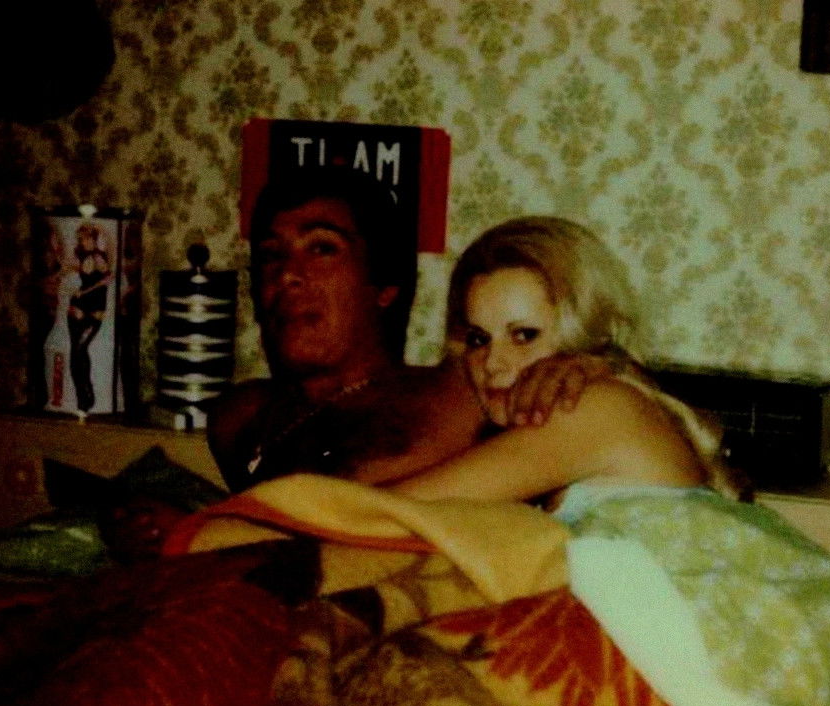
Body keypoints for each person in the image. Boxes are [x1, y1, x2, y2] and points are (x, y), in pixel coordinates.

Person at [207, 170, 608, 495]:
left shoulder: (466, 388)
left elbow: (619, 409)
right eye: (271, 255)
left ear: (386, 284)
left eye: (322, 248)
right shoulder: (240, 419)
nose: (286, 276)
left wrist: (590, 368)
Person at [389, 215, 734, 505]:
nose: (493, 363)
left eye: (524, 335)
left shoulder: (597, 408)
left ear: (581, 334)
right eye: (479, 339)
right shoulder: (594, 407)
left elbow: (390, 512)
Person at [67, 221, 111, 412]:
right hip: (77, 308)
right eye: (81, 239)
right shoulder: (79, 257)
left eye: (86, 238)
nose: (83, 242)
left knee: (80, 348)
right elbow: (66, 270)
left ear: (94, 239)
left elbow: (106, 281)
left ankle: (87, 391)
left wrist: (84, 292)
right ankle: (81, 396)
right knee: (75, 351)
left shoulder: (100, 257)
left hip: (94, 311)